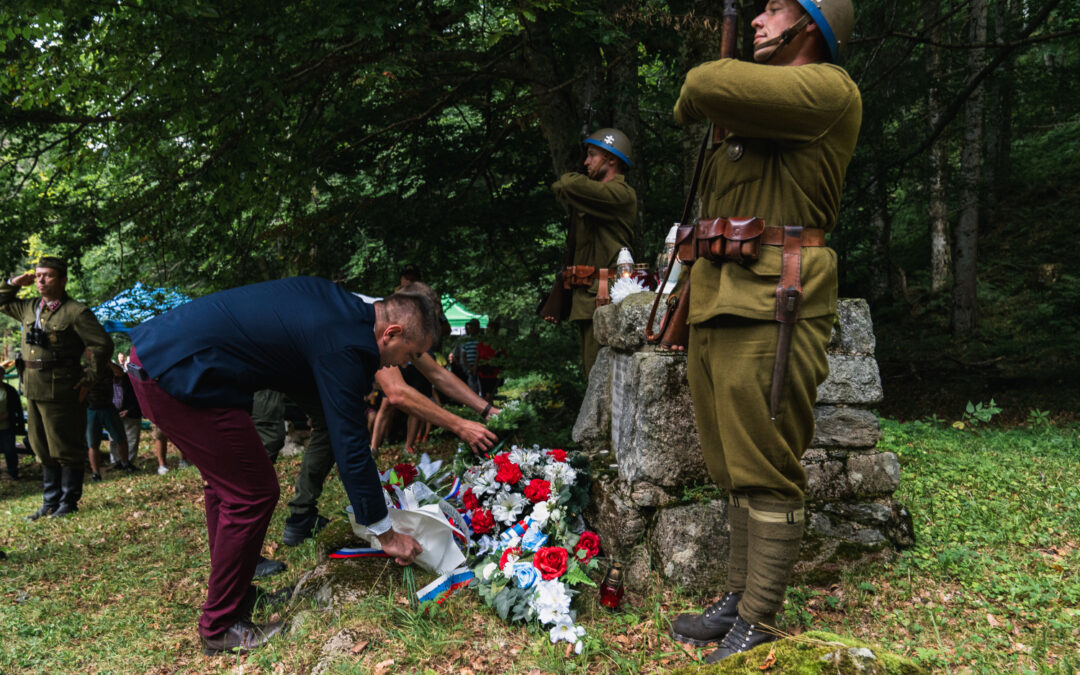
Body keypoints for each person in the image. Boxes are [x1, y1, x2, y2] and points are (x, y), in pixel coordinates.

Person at [666, 0, 860, 663]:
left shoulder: (829, 89)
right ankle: (739, 599)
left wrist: (711, 88)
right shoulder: (756, 112)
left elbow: (699, 88)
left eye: (775, 8)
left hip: (777, 299)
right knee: (731, 466)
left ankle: (761, 617)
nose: (756, 18)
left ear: (812, 24)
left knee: (767, 466)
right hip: (719, 297)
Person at [127, 277, 436, 656]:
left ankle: (236, 594)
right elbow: (350, 443)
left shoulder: (343, 307)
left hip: (178, 359)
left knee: (229, 488)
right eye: (410, 353)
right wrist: (386, 535)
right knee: (251, 493)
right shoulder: (345, 342)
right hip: (173, 370)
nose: (404, 364)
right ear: (391, 332)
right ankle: (220, 626)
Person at [283, 281, 500, 547]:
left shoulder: (399, 320)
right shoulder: (370, 323)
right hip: (280, 359)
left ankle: (301, 516)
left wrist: (487, 410)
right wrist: (460, 425)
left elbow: (436, 374)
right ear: (409, 310)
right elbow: (396, 392)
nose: (408, 361)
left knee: (330, 429)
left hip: (304, 363)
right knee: (273, 435)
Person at [0, 257, 113, 519]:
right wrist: (14, 282)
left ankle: (68, 501)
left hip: (62, 390)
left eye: (48, 275)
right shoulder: (29, 308)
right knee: (41, 447)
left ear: (63, 280)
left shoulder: (75, 311)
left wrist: (89, 378)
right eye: (38, 275)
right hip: (33, 389)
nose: (40, 280)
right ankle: (49, 501)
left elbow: (102, 345)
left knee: (65, 447)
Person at [544, 128, 636, 379]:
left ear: (612, 159)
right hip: (588, 298)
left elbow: (566, 183)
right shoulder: (593, 195)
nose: (586, 162)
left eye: (592, 155)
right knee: (593, 379)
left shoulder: (619, 195)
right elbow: (562, 187)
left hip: (605, 296)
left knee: (604, 383)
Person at [86, 362, 136, 481]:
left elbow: (120, 373)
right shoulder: (85, 370)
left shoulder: (108, 368)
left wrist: (106, 360)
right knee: (93, 443)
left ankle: (125, 464)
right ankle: (96, 473)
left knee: (120, 437)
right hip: (91, 409)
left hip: (108, 407)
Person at [110, 353, 143, 467]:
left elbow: (138, 399)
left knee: (132, 439)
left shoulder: (130, 381)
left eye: (117, 377)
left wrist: (128, 411)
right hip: (114, 414)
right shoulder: (107, 383)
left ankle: (128, 462)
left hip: (131, 414)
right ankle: (115, 462)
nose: (115, 379)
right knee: (114, 439)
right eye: (113, 377)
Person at [0, 377, 25, 480]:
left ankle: (13, 472)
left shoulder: (9, 390)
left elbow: (17, 408)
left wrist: (19, 424)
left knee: (9, 450)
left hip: (7, 427)